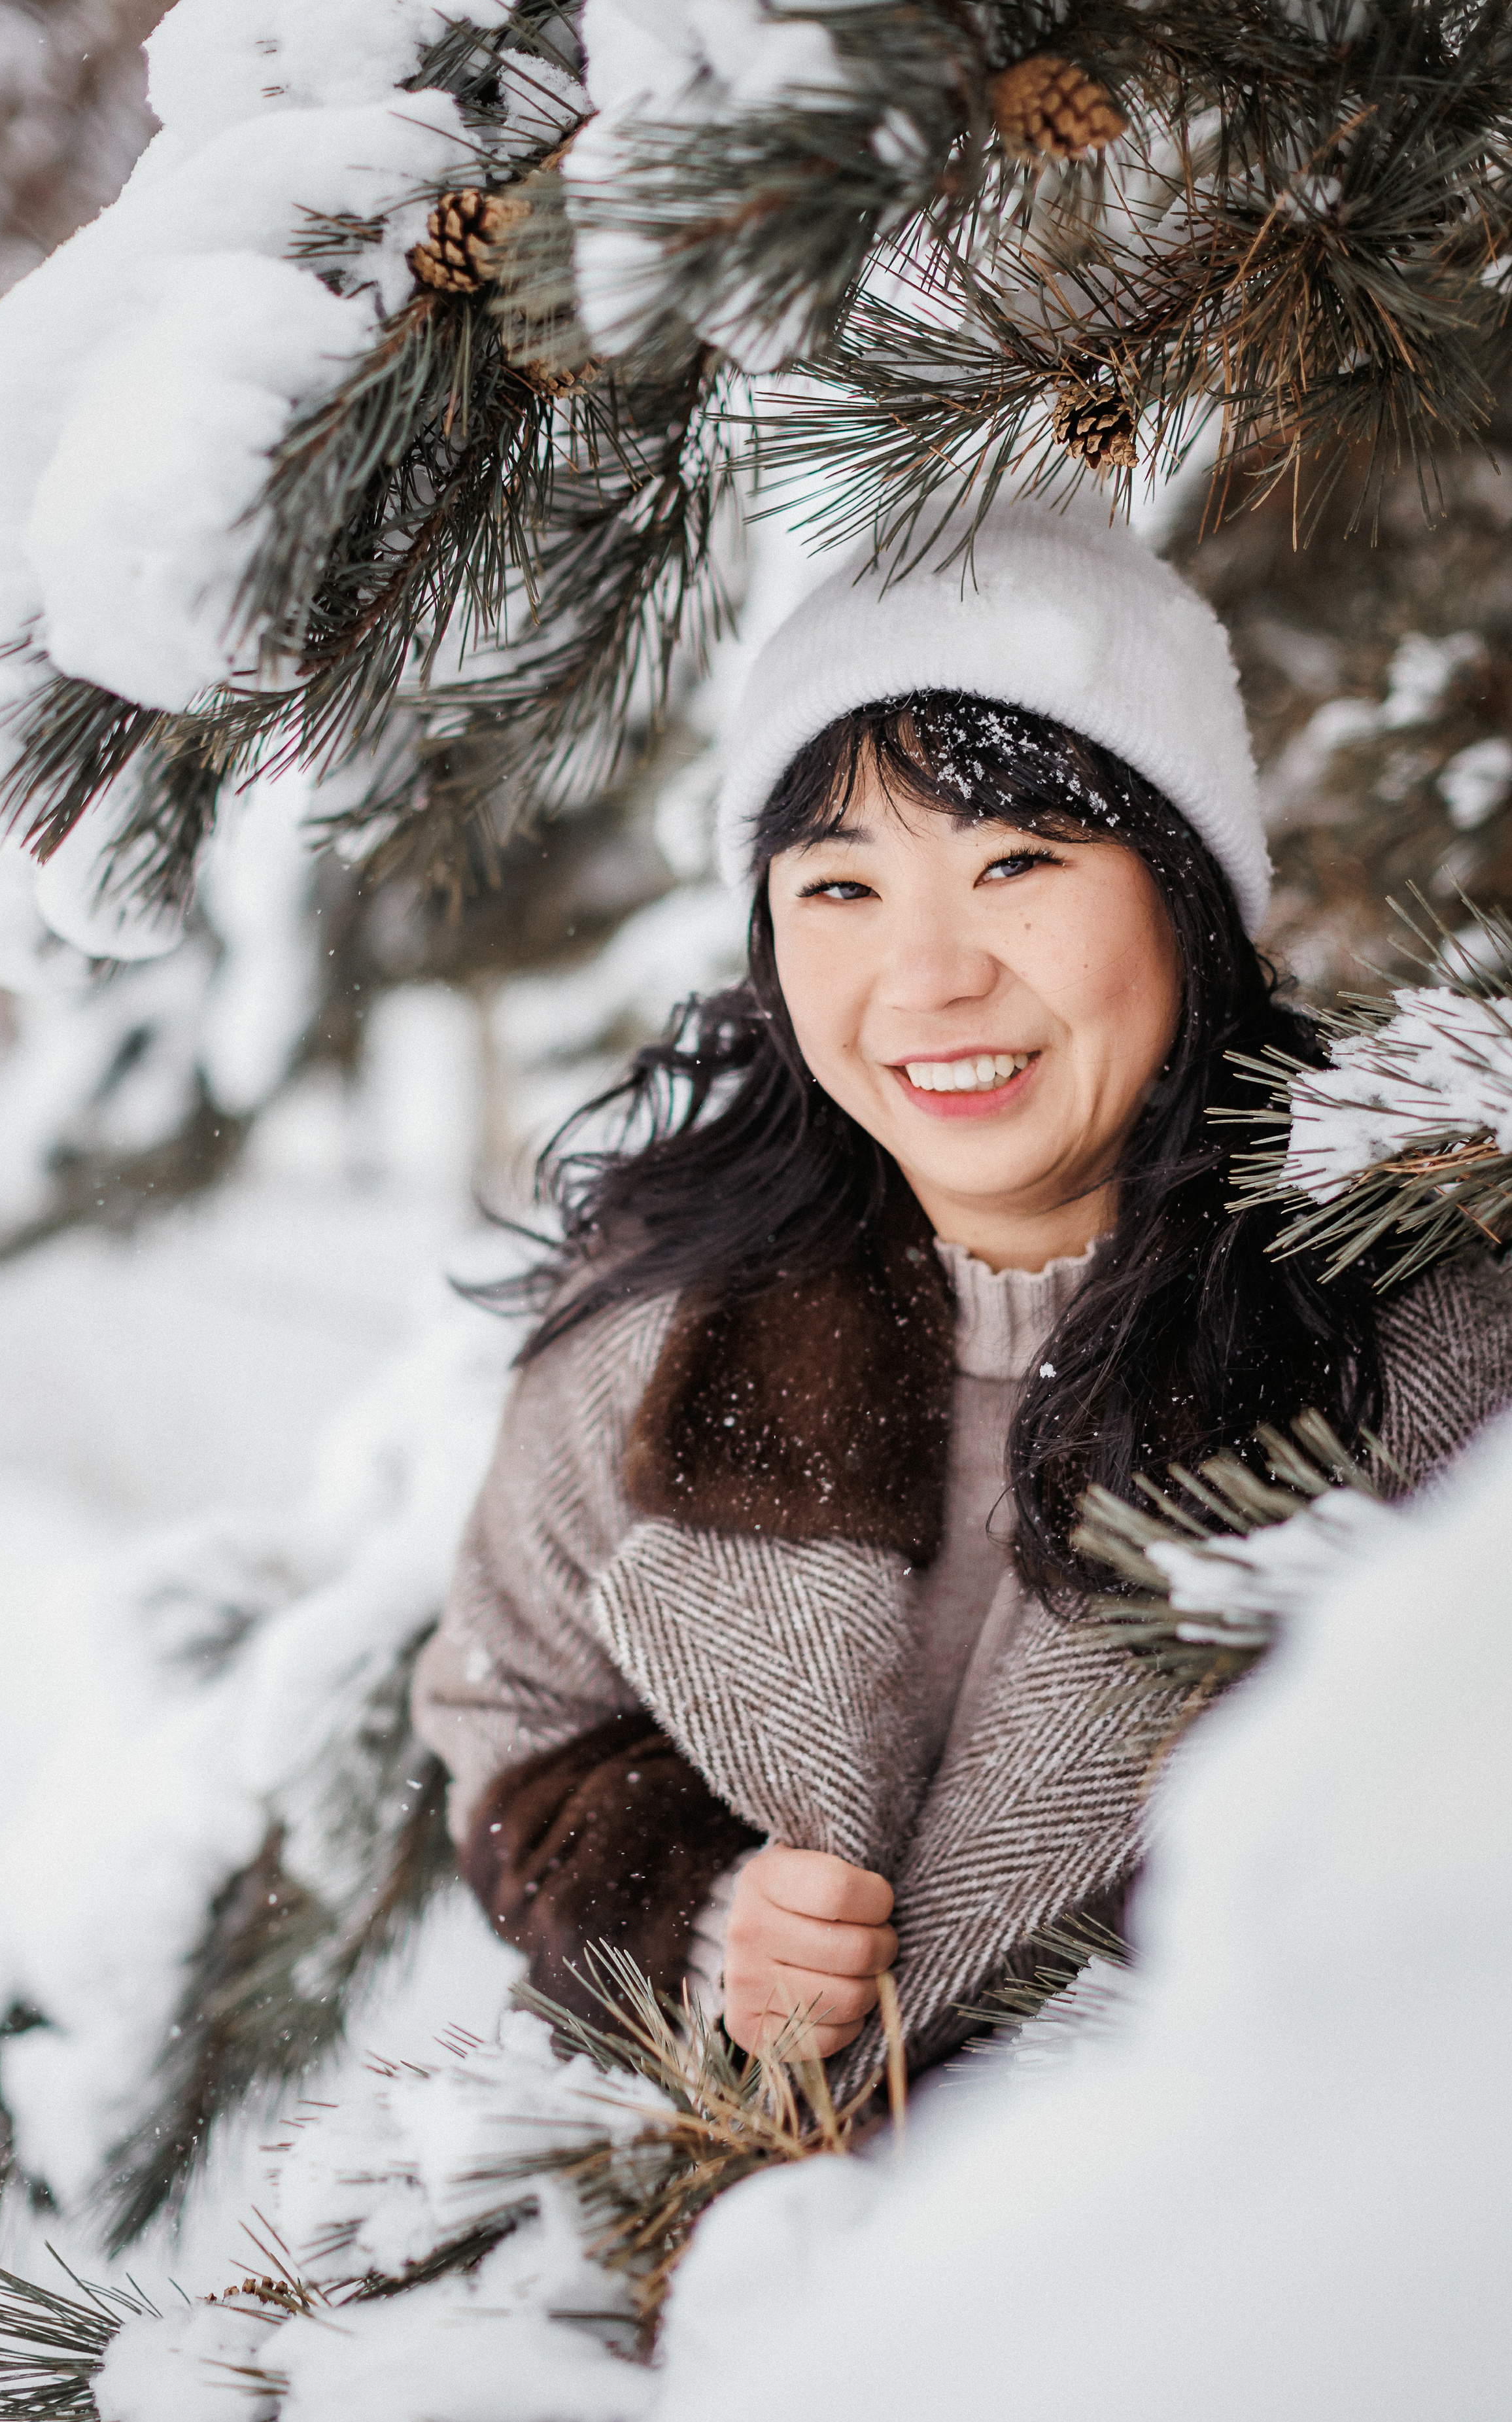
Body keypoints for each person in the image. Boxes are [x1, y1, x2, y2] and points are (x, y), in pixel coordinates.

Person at [412, 502, 1512, 2087]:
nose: (927, 978)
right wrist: (703, 1925)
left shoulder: (1425, 1343)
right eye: (841, 888)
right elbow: (510, 1716)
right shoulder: (655, 1334)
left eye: (1013, 863)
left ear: (1184, 899)